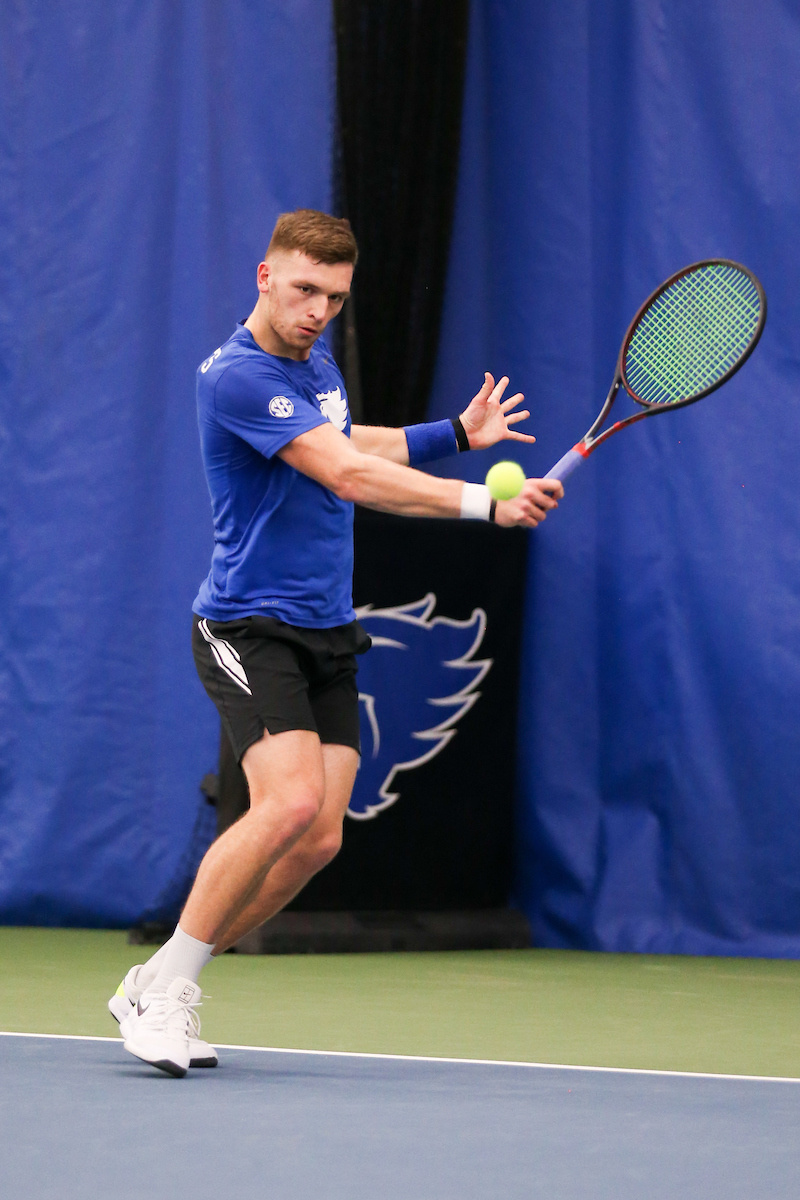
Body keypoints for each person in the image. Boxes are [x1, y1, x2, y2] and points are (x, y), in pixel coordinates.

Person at [111, 209, 563, 1076]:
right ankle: (164, 993)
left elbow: (350, 441)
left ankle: (163, 974)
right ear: (265, 277)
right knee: (280, 805)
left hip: (326, 628)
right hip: (248, 627)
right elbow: (348, 476)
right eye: (306, 289)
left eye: (335, 297)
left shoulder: (312, 364)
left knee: (319, 838)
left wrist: (456, 439)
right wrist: (484, 505)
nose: (319, 310)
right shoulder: (236, 378)